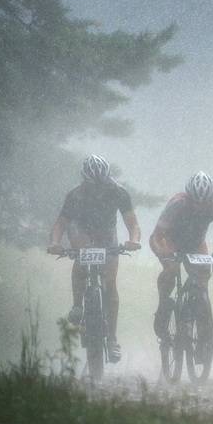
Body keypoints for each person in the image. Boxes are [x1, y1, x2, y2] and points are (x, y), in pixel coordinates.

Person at [47, 154, 141, 363]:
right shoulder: (75, 195)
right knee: (82, 255)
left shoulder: (118, 192)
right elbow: (61, 224)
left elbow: (132, 223)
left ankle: (113, 339)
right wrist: (55, 243)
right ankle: (77, 304)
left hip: (107, 233)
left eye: (102, 184)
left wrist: (133, 241)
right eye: (93, 186)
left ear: (108, 179)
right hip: (82, 231)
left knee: (110, 284)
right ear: (84, 181)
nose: (98, 189)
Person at [149, 171, 213, 340]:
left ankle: (199, 314)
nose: (200, 206)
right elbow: (156, 236)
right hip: (171, 241)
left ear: (211, 199)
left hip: (196, 244)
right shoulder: (177, 204)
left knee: (203, 274)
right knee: (172, 269)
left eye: (205, 203)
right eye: (196, 202)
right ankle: (163, 304)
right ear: (189, 197)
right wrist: (162, 253)